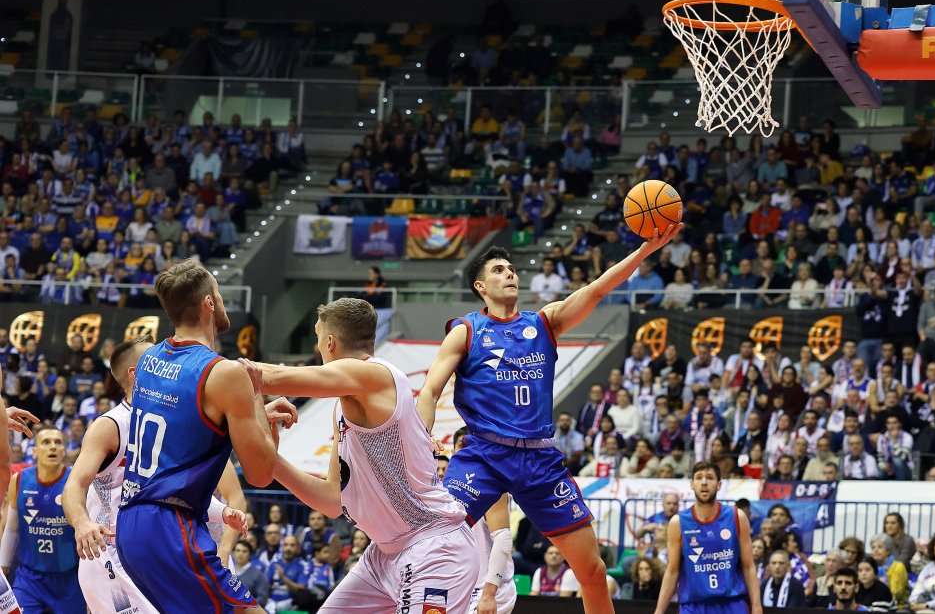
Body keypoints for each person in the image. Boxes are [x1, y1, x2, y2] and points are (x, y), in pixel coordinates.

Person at [420, 230, 682, 614]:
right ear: (481, 286)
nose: (510, 274)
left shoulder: (544, 323)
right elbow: (427, 393)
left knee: (592, 570)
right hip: (483, 455)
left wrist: (643, 251)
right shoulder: (467, 330)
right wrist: (422, 435)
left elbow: (594, 290)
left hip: (539, 461)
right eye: (499, 270)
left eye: (512, 269)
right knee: (436, 552)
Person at [245, 298, 480, 612]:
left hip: (432, 546)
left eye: (317, 340)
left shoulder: (377, 376)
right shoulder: (343, 406)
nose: (317, 348)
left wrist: (222, 373)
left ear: (329, 342)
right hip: (383, 555)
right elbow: (331, 501)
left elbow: (273, 377)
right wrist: (272, 460)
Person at [115, 260, 286, 614]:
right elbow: (260, 473)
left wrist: (248, 421)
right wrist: (255, 396)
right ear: (209, 302)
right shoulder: (224, 373)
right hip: (171, 527)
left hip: (130, 525)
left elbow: (185, 422)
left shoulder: (149, 361)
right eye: (219, 294)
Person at [63, 335, 250, 614]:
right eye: (156, 358)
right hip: (109, 555)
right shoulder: (110, 425)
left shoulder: (170, 419)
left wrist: (221, 511)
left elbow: (168, 490)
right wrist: (81, 523)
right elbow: (73, 486)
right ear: (137, 373)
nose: (166, 361)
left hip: (148, 552)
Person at [653, 461, 762, 614]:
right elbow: (672, 571)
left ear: (719, 484)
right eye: (699, 478)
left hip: (731, 604)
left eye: (709, 478)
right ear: (692, 484)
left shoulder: (737, 517)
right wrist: (659, 611)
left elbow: (748, 566)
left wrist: (757, 607)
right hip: (693, 606)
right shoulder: (678, 523)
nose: (704, 482)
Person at [1, 427, 85, 613]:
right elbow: (11, 528)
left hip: (70, 577)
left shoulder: (76, 480)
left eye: (58, 442)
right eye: (46, 442)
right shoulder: (20, 479)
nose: (53, 447)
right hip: (30, 577)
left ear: (64, 450)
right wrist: (4, 566)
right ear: (35, 451)